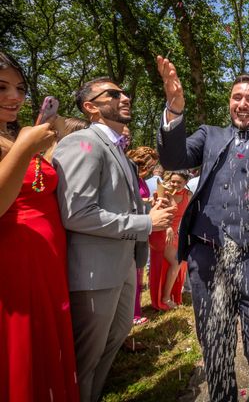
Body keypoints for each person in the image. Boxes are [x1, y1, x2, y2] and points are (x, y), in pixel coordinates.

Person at [156, 56, 249, 401]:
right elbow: (174, 160)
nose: (241, 103)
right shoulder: (210, 135)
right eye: (237, 96)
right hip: (209, 258)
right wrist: (174, 110)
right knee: (215, 345)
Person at [53, 77, 175, 402]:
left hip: (123, 268)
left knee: (111, 344)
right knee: (84, 361)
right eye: (113, 93)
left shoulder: (118, 147)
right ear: (90, 107)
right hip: (95, 273)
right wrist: (145, 222)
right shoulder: (83, 144)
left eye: (124, 91)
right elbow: (77, 213)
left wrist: (149, 207)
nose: (124, 96)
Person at [0, 52, 80, 401]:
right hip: (14, 265)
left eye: (19, 87)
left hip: (48, 263)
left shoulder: (18, 137)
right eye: (1, 87)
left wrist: (41, 147)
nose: (14, 97)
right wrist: (25, 147)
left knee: (48, 347)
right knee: (23, 354)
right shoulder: (19, 142)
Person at [149, 171, 192, 310]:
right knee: (176, 261)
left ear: (185, 183)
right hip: (161, 231)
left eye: (179, 182)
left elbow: (188, 216)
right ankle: (165, 298)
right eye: (173, 181)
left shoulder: (188, 194)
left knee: (180, 262)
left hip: (175, 234)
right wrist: (167, 227)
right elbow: (157, 212)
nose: (175, 184)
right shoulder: (164, 192)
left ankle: (172, 294)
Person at [126, 145, 160, 325]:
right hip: (131, 228)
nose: (151, 170)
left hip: (142, 227)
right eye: (150, 166)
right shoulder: (130, 177)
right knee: (132, 271)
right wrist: (146, 201)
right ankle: (130, 313)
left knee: (138, 270)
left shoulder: (141, 180)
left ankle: (135, 310)